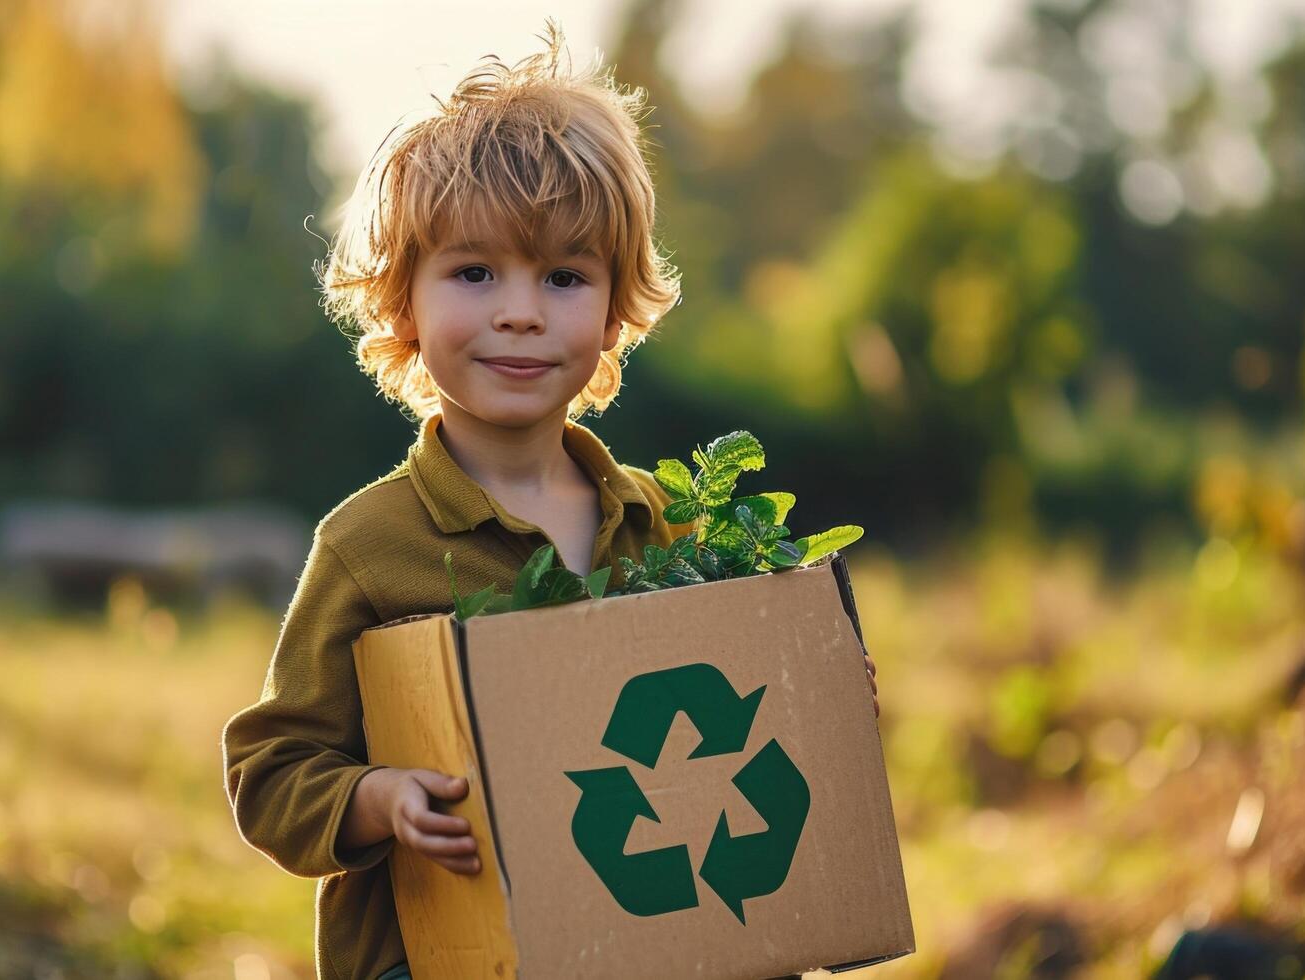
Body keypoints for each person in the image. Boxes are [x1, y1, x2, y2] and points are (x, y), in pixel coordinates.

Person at [221, 22, 878, 980]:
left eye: (564, 277)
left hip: (661, 945)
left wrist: (817, 688)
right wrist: (381, 799)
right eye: (474, 271)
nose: (520, 310)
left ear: (615, 310)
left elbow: (749, 726)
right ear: (403, 301)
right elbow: (271, 770)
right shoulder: (371, 546)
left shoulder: (673, 526)